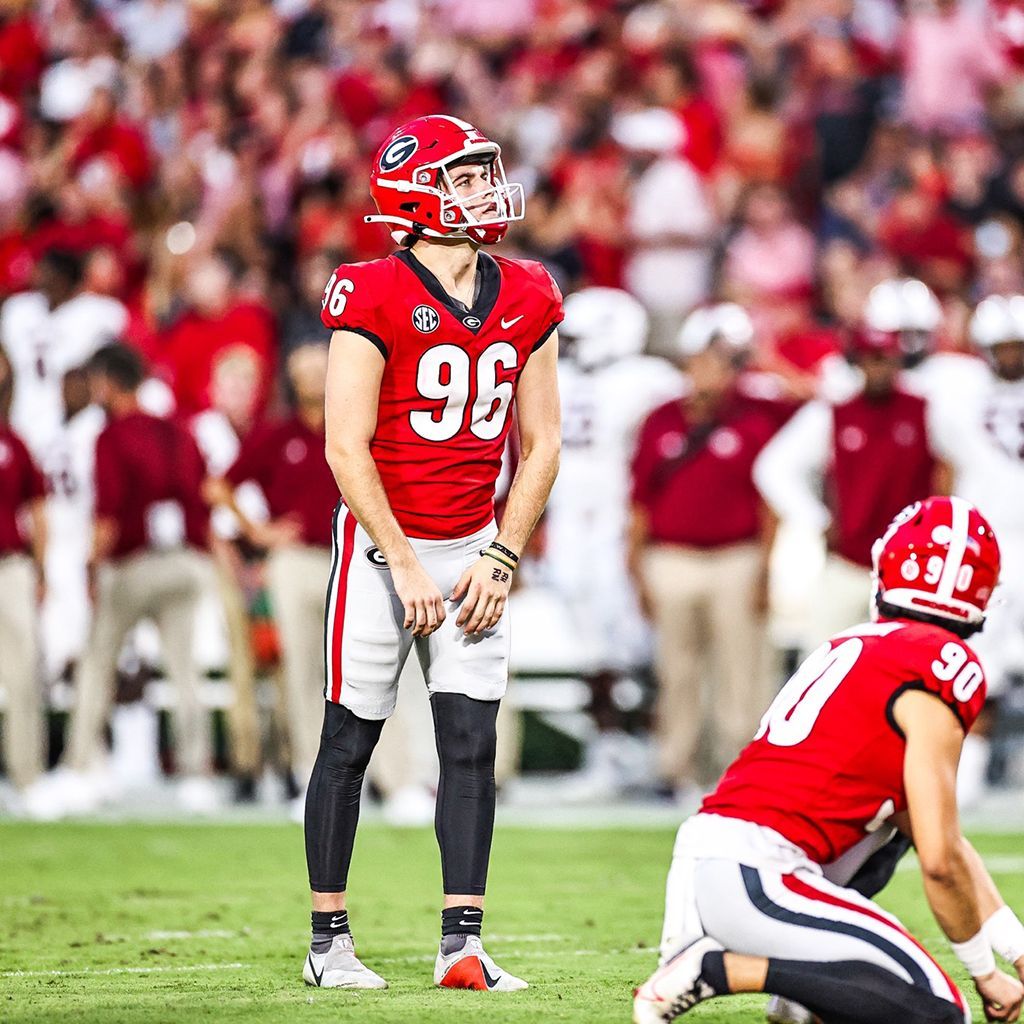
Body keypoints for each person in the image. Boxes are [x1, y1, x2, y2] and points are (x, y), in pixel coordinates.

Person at [305, 114, 562, 993]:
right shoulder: (370, 291)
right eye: (464, 175)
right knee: (350, 741)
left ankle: (461, 944)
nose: (485, 188)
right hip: (384, 550)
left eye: (486, 170)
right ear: (415, 193)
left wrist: (501, 556)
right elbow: (346, 446)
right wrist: (405, 561)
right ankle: (327, 943)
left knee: (470, 742)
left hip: (473, 546)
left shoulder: (528, 290)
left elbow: (545, 441)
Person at [633, 496, 1024, 1024]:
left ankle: (798, 999)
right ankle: (721, 970)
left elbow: (941, 842)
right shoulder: (941, 664)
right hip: (761, 874)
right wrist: (982, 969)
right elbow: (940, 861)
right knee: (938, 1012)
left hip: (715, 857)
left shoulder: (856, 645)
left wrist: (1016, 954)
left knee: (900, 824)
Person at [628, 303, 788, 800]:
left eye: (724, 361)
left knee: (741, 670)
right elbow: (640, 499)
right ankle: (675, 767)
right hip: (671, 557)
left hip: (736, 558)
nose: (713, 371)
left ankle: (738, 768)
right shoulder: (660, 419)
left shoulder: (758, 416)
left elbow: (770, 503)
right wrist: (635, 567)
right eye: (705, 359)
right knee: (677, 669)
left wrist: (765, 568)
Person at [58, 343, 216, 814]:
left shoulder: (112, 435)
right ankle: (197, 771)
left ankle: (80, 764)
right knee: (184, 671)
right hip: (185, 561)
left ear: (108, 381)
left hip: (134, 565)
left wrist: (91, 566)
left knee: (97, 663)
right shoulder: (176, 430)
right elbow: (202, 490)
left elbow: (108, 514)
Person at [754, 278, 948, 655]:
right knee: (823, 664)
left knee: (910, 668)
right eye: (871, 357)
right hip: (850, 561)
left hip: (912, 569)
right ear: (858, 360)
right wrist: (818, 520)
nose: (879, 365)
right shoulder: (836, 408)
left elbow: (958, 469)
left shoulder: (929, 403)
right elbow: (774, 466)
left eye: (885, 356)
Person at [545, 286, 683, 795]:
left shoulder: (650, 379)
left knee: (643, 642)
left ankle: (650, 746)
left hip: (624, 522)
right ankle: (605, 753)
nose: (573, 346)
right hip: (569, 523)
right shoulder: (555, 374)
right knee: (591, 649)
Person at [208, 343, 338, 802]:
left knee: (359, 669)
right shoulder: (278, 435)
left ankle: (373, 775)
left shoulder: (354, 425)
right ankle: (305, 770)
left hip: (351, 557)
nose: (312, 380)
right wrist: (258, 532)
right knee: (297, 667)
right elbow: (218, 486)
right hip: (293, 559)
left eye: (320, 370)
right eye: (303, 372)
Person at [0, 348, 47, 796]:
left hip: (9, 567)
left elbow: (37, 508)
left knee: (23, 673)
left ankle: (27, 775)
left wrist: (40, 567)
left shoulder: (12, 441)